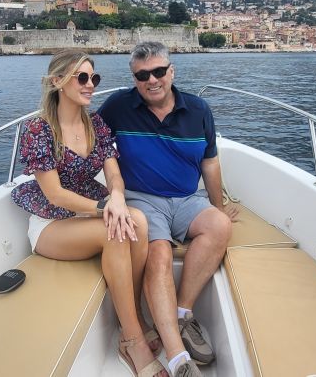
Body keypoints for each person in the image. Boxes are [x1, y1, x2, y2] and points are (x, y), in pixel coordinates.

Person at [11, 50, 166, 377]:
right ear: (58, 82)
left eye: (94, 78)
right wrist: (104, 207)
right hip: (52, 223)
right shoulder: (39, 129)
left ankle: (134, 312)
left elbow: (113, 173)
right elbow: (54, 194)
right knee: (116, 231)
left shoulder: (95, 123)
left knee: (136, 221)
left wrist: (119, 198)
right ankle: (132, 340)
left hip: (89, 214)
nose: (90, 85)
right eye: (82, 77)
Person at [99, 42, 237, 377]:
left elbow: (210, 162)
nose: (152, 80)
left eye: (159, 71)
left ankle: (182, 313)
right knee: (159, 254)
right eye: (142, 75)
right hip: (142, 200)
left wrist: (219, 206)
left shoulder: (198, 109)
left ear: (171, 71)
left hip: (188, 199)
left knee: (219, 226)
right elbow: (88, 137)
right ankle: (178, 359)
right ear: (134, 79)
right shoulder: (118, 106)